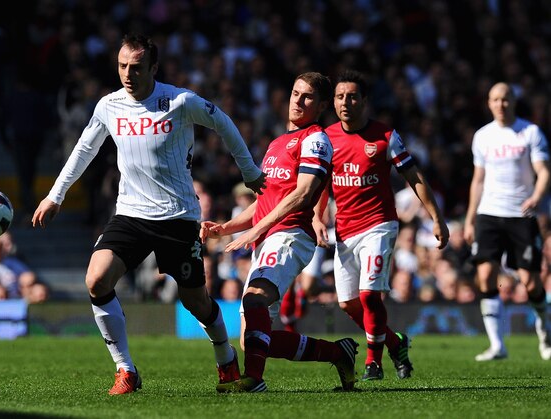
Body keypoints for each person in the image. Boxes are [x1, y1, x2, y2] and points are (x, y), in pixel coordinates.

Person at [32, 33, 266, 395]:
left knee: (196, 302)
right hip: (130, 215)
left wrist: (249, 171)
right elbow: (83, 149)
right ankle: (126, 369)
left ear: (153, 68)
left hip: (178, 217)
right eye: (122, 65)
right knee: (96, 280)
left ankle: (224, 355)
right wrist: (55, 195)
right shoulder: (109, 106)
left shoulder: (180, 100)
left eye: (136, 67)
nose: (128, 73)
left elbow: (224, 124)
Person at [201, 72, 358, 393]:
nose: (298, 101)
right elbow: (264, 200)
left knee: (255, 299)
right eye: (295, 93)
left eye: (308, 97)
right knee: (253, 339)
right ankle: (337, 352)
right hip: (268, 236)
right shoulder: (276, 144)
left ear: (323, 105)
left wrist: (259, 228)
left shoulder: (315, 139)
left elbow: (302, 194)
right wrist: (225, 228)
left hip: (290, 234)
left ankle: (254, 380)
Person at [317, 69, 449, 380]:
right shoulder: (326, 138)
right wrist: (316, 217)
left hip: (380, 224)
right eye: (339, 97)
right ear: (333, 102)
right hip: (344, 232)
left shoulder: (386, 137)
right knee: (349, 304)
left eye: (352, 96)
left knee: (369, 296)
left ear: (364, 100)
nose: (345, 102)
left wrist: (437, 217)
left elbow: (414, 177)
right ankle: (395, 341)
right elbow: (320, 183)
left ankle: (372, 363)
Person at [463, 82, 551, 361]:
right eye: (495, 99)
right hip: (489, 213)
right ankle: (496, 344)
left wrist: (537, 195)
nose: (500, 104)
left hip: (521, 215)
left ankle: (544, 328)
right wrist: (469, 218)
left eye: (505, 99)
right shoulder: (483, 136)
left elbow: (544, 170)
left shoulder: (530, 132)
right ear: (489, 103)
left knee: (530, 281)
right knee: (486, 275)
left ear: (513, 101)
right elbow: (478, 180)